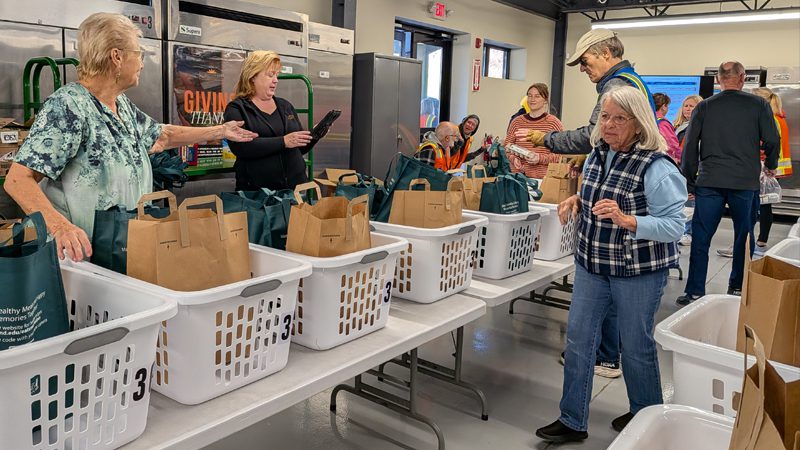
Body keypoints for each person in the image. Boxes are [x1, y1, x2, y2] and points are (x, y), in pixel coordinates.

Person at [5, 13, 256, 262]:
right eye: (139, 54)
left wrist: (220, 131)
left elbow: (162, 136)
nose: (142, 63)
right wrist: (60, 227)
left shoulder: (120, 104)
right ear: (117, 57)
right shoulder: (69, 106)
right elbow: (18, 180)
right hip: (81, 258)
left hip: (121, 249)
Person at [535, 86, 686, 443]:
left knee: (635, 346)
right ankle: (572, 420)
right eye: (605, 116)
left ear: (638, 123)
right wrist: (576, 199)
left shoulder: (657, 166)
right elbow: (599, 193)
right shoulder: (598, 154)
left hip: (638, 272)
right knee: (578, 341)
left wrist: (629, 220)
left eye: (620, 118)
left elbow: (675, 226)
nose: (610, 124)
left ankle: (645, 417)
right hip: (592, 264)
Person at [518, 29, 657, 380]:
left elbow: (593, 135)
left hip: (617, 205)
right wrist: (589, 159)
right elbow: (603, 144)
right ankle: (604, 351)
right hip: (619, 191)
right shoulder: (633, 82)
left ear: (608, 53)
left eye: (586, 60)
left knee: (608, 274)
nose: (583, 68)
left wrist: (547, 139)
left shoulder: (615, 87)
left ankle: (606, 355)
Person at [676, 62, 779, 306]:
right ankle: (737, 287)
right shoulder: (759, 105)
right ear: (742, 78)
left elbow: (690, 146)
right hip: (745, 182)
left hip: (710, 181)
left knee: (701, 236)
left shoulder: (705, 107)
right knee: (743, 236)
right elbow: (773, 139)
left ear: (718, 80)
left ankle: (694, 291)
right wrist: (771, 165)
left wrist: (689, 180)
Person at [223, 51, 318, 191]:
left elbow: (298, 148)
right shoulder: (237, 108)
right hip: (257, 196)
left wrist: (315, 135)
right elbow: (242, 148)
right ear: (253, 76)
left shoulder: (285, 106)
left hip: (295, 192)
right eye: (270, 75)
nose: (276, 80)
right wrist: (283, 141)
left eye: (276, 75)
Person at [752, 87, 793, 249]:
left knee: (760, 204)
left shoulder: (770, 119)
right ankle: (762, 239)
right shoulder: (780, 117)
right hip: (773, 167)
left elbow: (766, 144)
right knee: (765, 203)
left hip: (765, 167)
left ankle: (759, 239)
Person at [504, 83, 564, 179]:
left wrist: (540, 158)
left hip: (543, 179)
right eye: (529, 95)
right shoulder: (517, 122)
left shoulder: (554, 123)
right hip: (518, 177)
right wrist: (513, 159)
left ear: (545, 100)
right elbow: (507, 146)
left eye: (537, 96)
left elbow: (560, 154)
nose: (532, 99)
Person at [673, 95, 703, 247]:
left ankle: (688, 232)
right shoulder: (678, 125)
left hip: (693, 170)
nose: (688, 109)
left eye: (692, 106)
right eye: (686, 106)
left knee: (690, 201)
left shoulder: (700, 127)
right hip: (678, 169)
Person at [652, 93, 681, 162]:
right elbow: (672, 145)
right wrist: (680, 158)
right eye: (667, 106)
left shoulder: (649, 119)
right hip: (664, 160)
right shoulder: (663, 123)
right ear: (663, 106)